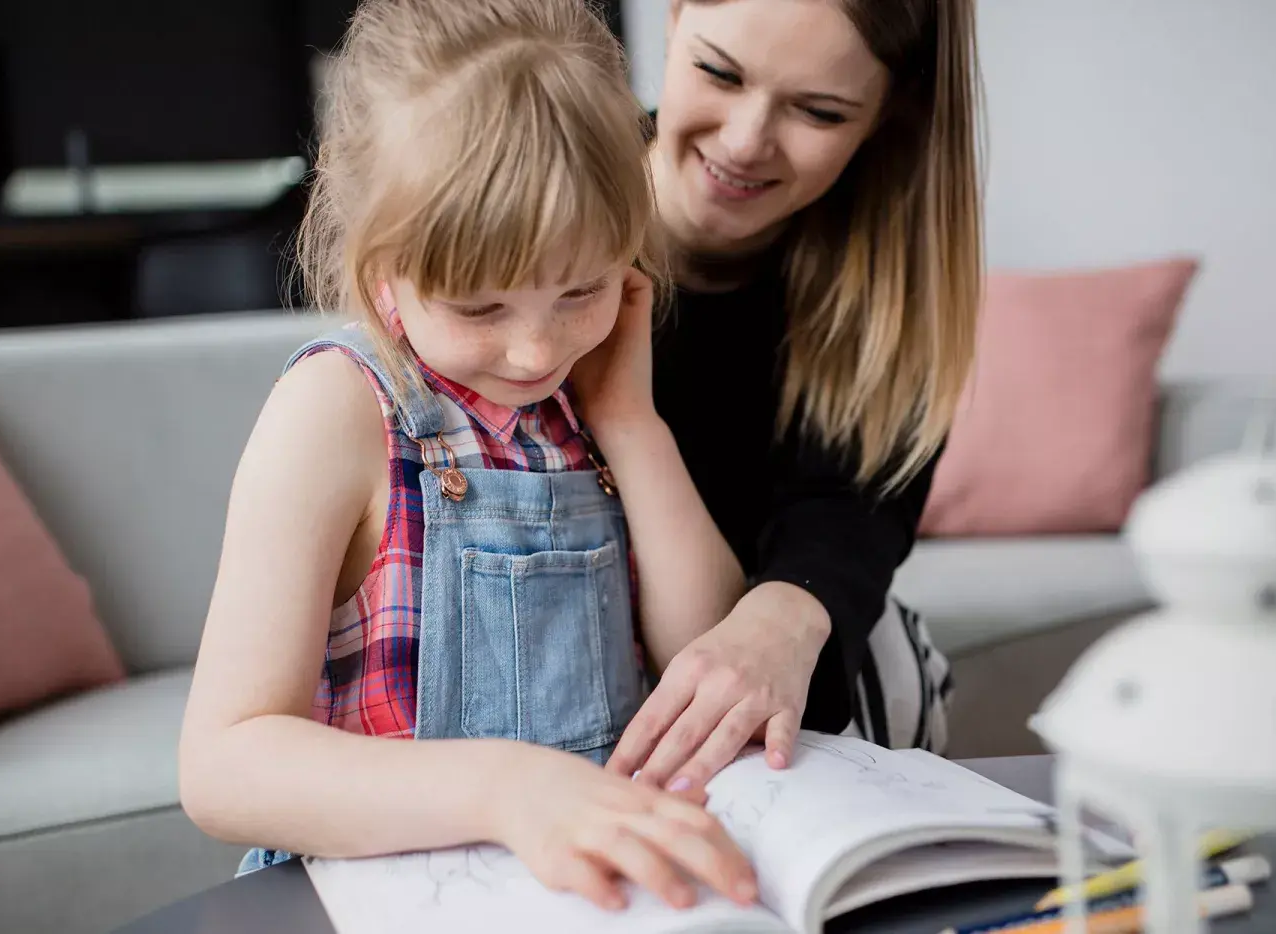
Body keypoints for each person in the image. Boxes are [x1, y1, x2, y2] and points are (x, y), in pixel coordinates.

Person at [178, 0, 759, 913]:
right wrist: (505, 789)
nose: (535, 353)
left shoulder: (588, 398)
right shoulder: (337, 410)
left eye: (584, 288)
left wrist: (634, 426)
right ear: (382, 268)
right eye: (481, 308)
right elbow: (224, 763)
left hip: (583, 896)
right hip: (385, 901)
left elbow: (703, 654)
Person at [605, 0, 982, 792]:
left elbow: (846, 522)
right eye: (718, 72)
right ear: (672, 21)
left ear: (886, 116)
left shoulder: (888, 290)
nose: (744, 143)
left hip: (781, 633)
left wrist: (783, 618)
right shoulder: (543, 198)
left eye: (819, 111)